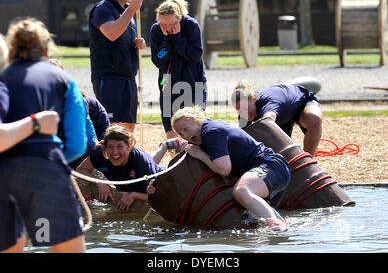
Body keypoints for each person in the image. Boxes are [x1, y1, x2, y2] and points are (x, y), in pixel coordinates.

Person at [0, 18, 87, 253]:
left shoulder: (3, 78)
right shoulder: (64, 80)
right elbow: (78, 144)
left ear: (12, 49)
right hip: (46, 167)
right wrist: (56, 164)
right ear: (47, 48)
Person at [148, 107, 290, 230]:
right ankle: (279, 226)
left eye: (185, 129)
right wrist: (168, 147)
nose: (184, 135)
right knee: (255, 217)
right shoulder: (205, 133)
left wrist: (200, 154)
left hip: (272, 166)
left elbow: (224, 169)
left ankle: (275, 225)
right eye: (180, 133)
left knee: (242, 191)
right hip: (268, 171)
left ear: (197, 119)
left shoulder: (211, 132)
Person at [89, 0, 146, 133]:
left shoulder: (127, 12)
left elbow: (121, 39)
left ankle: (127, 160)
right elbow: (111, 33)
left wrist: (137, 45)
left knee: (129, 128)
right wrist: (130, 10)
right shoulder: (103, 8)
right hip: (109, 77)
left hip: (128, 77)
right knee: (113, 129)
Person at [76, 125, 181, 211]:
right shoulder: (101, 153)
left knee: (150, 169)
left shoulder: (141, 163)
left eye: (119, 146)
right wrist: (99, 181)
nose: (114, 152)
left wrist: (134, 195)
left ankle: (164, 146)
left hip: (157, 178)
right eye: (110, 147)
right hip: (132, 178)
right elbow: (81, 170)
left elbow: (160, 198)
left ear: (129, 146)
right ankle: (165, 146)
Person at [150, 0, 207, 140]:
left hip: (194, 80)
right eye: (164, 24)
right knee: (168, 117)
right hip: (167, 79)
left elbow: (194, 55)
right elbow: (158, 60)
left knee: (195, 121)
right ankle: (173, 147)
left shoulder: (191, 25)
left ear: (179, 18)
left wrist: (178, 37)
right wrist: (168, 39)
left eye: (172, 23)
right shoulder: (157, 30)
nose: (168, 27)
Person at [231, 80, 323, 157]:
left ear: (254, 99)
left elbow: (267, 123)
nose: (244, 113)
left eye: (246, 108)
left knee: (314, 119)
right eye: (239, 111)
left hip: (301, 103)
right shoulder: (244, 115)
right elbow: (243, 140)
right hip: (282, 118)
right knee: (281, 155)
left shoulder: (269, 103)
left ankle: (307, 161)